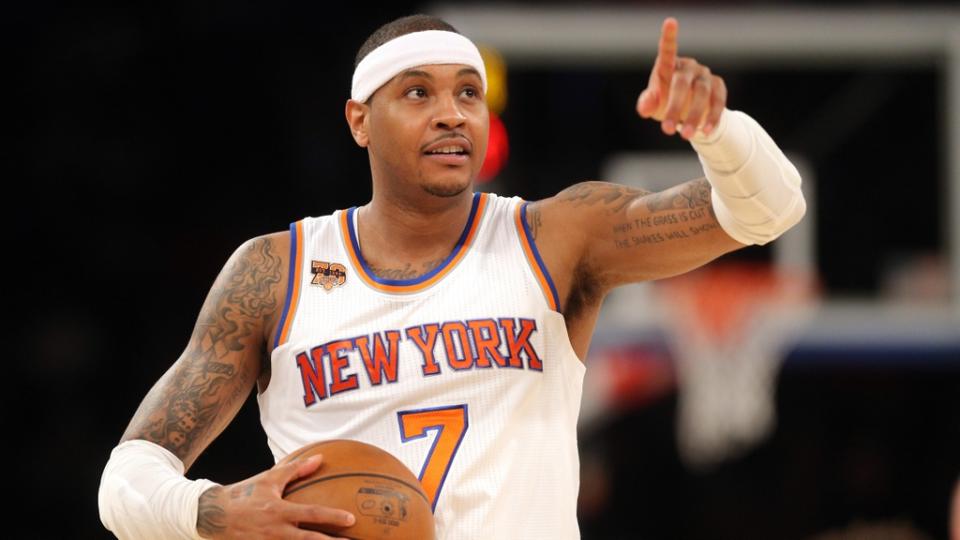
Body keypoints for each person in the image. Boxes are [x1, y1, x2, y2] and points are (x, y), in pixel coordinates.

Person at [98, 13, 805, 540]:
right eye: (417, 93)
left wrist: (717, 131)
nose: (451, 113)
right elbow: (126, 478)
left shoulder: (554, 237)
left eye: (468, 93)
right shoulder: (275, 274)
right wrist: (210, 511)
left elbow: (769, 209)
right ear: (359, 120)